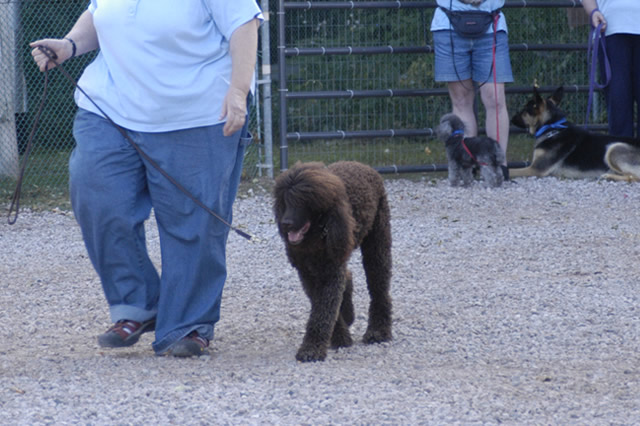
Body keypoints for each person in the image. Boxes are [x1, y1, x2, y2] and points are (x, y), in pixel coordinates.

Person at [30, 1, 263, 357]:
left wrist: (238, 91)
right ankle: (137, 304)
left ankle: (188, 324)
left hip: (196, 112)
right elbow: (99, 13)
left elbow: (244, 24)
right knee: (98, 197)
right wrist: (70, 45)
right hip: (109, 107)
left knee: (194, 223)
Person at [430, 0, 513, 179]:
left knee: (495, 98)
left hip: (492, 23)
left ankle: (499, 168)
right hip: (448, 23)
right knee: (461, 100)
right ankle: (468, 164)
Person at [581, 0, 640, 138]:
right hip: (611, 29)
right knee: (618, 102)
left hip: (612, 29)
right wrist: (594, 12)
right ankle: (621, 157)